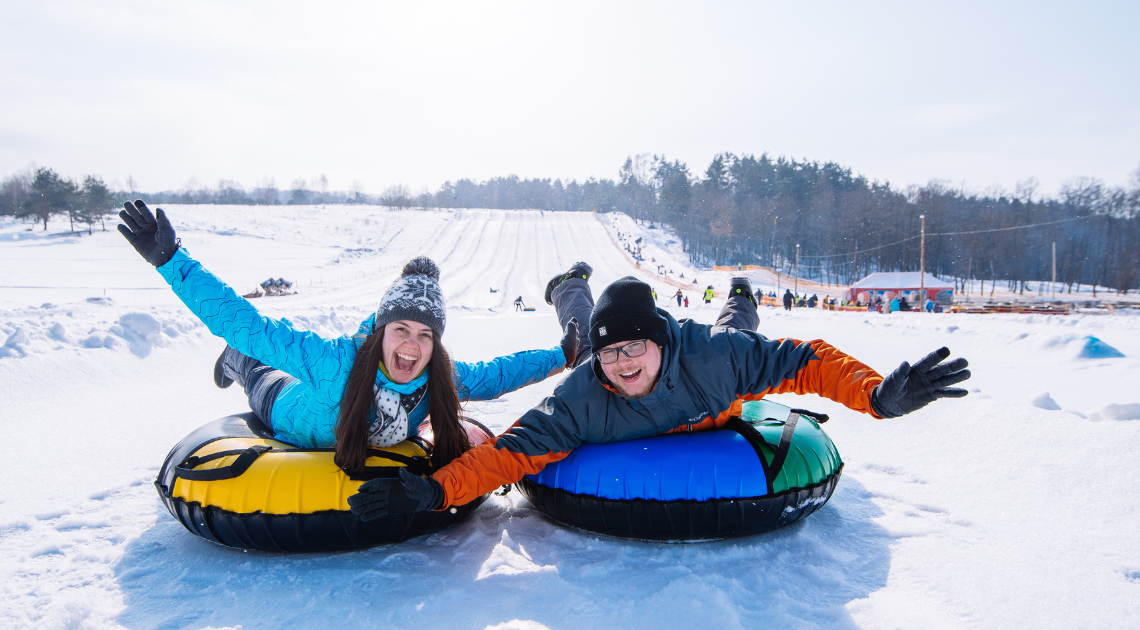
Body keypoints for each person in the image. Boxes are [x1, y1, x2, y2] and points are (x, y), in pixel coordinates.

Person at [348, 270, 970, 519]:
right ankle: (570, 289)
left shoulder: (709, 358)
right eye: (613, 354)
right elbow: (509, 453)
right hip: (601, 356)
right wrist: (433, 491)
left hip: (716, 368)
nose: (623, 364)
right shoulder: (585, 395)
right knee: (580, 336)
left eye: (634, 349)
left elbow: (804, 361)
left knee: (738, 330)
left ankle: (742, 297)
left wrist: (877, 397)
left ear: (661, 342)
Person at [116, 201, 579, 476]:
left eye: (424, 335)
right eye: (400, 330)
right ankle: (237, 362)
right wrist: (170, 260)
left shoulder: (439, 377)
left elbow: (498, 374)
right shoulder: (335, 361)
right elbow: (247, 324)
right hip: (286, 408)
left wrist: (561, 355)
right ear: (380, 332)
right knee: (254, 361)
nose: (412, 347)